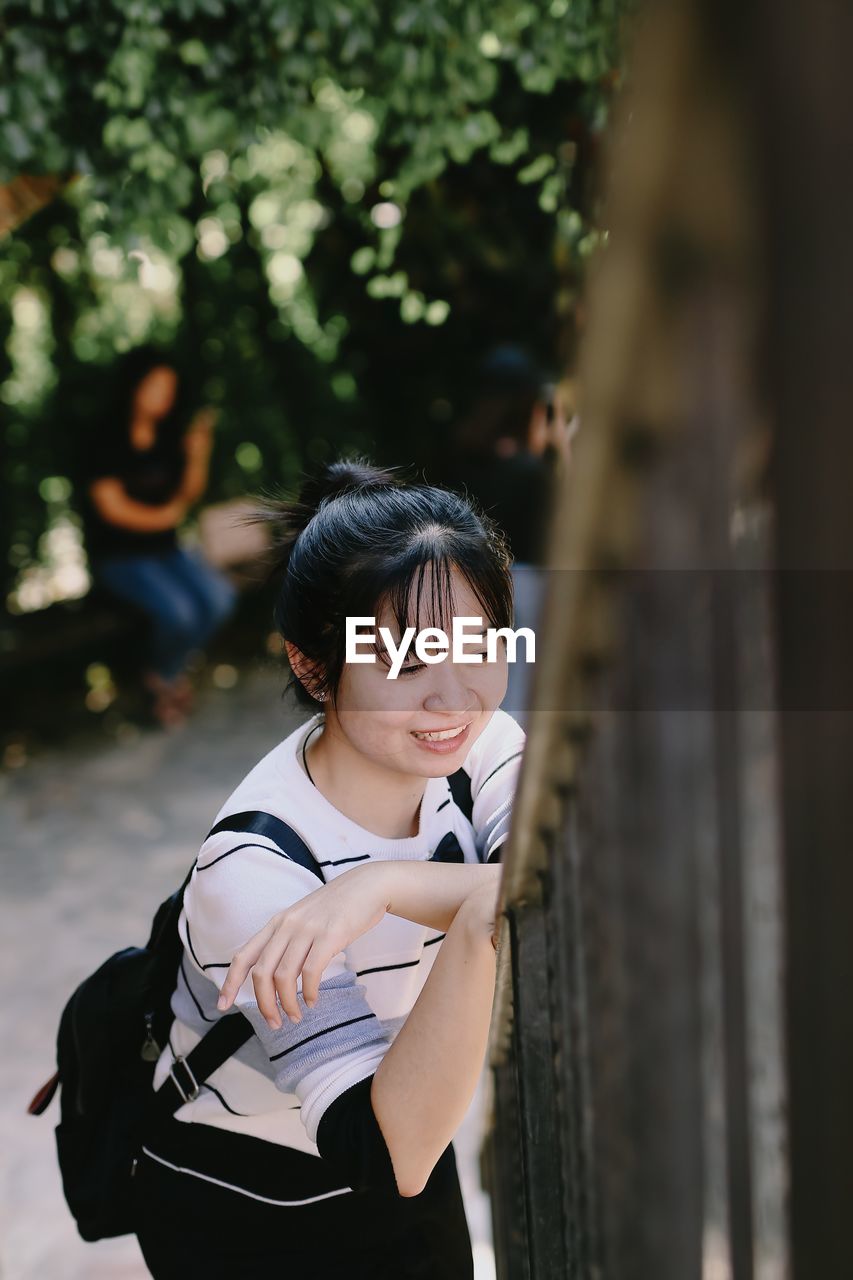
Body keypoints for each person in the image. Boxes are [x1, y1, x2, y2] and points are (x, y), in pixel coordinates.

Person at [132, 460, 526, 1278]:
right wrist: (486, 906)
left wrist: (382, 886)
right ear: (313, 668)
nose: (452, 697)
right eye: (407, 663)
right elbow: (382, 1157)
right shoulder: (254, 875)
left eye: (478, 645)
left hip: (408, 1111)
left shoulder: (475, 746)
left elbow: (569, 875)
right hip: (242, 1197)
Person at [78, 345, 237, 727]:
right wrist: (166, 516)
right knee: (178, 613)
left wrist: (198, 454)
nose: (164, 396)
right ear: (134, 386)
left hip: (167, 552)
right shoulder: (104, 438)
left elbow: (186, 495)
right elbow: (111, 507)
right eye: (156, 386)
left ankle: (162, 676)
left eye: (169, 388)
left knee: (220, 597)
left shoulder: (167, 437)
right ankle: (165, 682)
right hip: (119, 558)